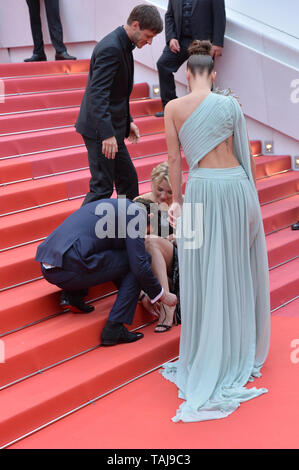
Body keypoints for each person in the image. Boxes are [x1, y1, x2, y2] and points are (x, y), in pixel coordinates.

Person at [160, 40, 271, 422]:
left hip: (202, 189)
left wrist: (176, 201)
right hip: (237, 188)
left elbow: (174, 160)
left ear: (187, 73)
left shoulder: (173, 107)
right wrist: (253, 203)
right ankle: (235, 350)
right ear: (214, 73)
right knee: (235, 267)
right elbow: (245, 155)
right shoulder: (230, 104)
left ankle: (207, 352)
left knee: (201, 270)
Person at [35, 198, 177, 346]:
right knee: (142, 259)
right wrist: (160, 294)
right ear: (149, 217)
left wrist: (141, 296)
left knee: (117, 255)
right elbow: (139, 265)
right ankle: (114, 327)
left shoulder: (112, 208)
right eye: (146, 233)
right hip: (72, 266)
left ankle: (73, 295)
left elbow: (113, 265)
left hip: (48, 266)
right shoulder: (136, 214)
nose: (142, 238)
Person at [75, 4, 163, 205]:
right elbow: (98, 94)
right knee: (102, 188)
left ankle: (123, 232)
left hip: (111, 128)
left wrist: (127, 121)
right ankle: (75, 234)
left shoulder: (122, 44)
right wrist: (106, 134)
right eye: (148, 36)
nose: (149, 42)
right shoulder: (112, 47)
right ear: (135, 25)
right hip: (100, 131)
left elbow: (118, 94)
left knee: (128, 181)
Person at [155, 0, 226, 117]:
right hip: (180, 40)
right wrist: (171, 37)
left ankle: (205, 111)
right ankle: (169, 107)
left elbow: (220, 15)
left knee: (202, 74)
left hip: (203, 42)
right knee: (163, 64)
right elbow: (169, 15)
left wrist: (218, 42)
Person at [135, 162, 181, 332]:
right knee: (144, 242)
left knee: (151, 240)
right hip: (149, 267)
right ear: (152, 183)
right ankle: (160, 294)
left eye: (169, 192)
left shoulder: (181, 205)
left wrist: (179, 238)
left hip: (177, 265)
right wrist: (141, 293)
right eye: (160, 189)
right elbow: (129, 248)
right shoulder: (140, 203)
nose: (163, 196)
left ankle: (167, 306)